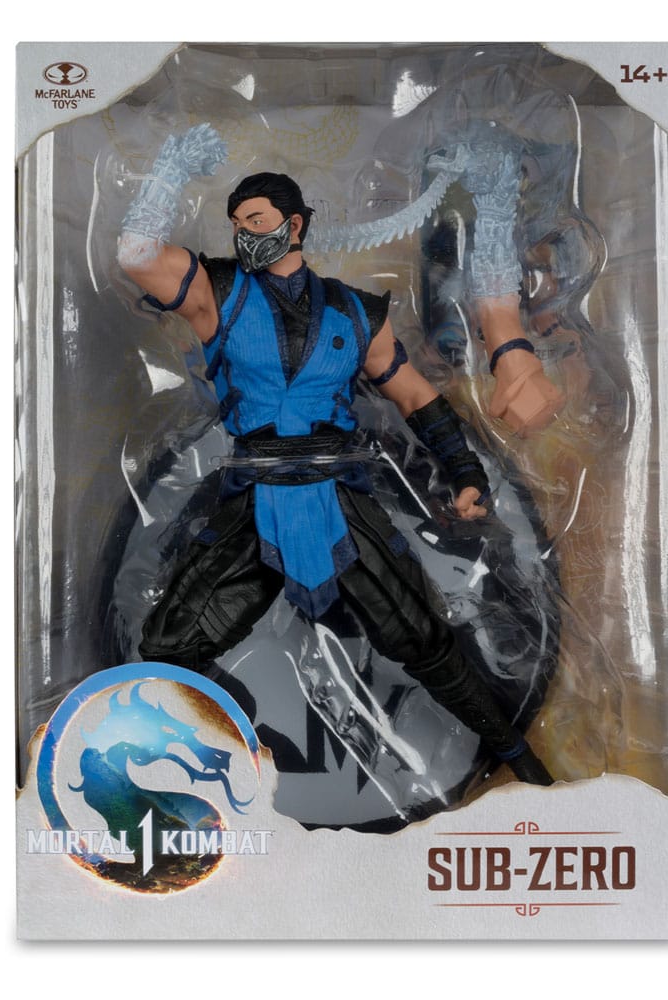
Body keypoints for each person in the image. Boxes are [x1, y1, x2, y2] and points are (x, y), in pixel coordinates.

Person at [116, 124, 561, 786]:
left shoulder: (354, 313)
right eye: (237, 225)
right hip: (255, 493)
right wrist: (170, 169)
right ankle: (152, 766)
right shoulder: (220, 291)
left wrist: (466, 471)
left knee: (423, 640)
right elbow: (137, 253)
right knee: (170, 644)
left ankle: (520, 758)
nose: (245, 235)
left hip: (338, 497)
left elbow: (415, 397)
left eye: (257, 220)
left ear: (294, 225)